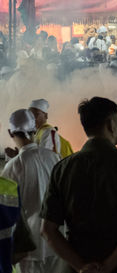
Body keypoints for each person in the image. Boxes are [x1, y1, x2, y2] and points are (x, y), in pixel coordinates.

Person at [40, 97, 117, 273]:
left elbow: (48, 231)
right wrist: (107, 267)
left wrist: (82, 267)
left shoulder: (63, 168)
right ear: (110, 124)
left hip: (76, 264)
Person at [1, 109, 60, 273]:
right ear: (35, 130)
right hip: (58, 244)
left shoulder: (13, 167)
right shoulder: (54, 158)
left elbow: (7, 213)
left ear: (10, 132)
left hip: (30, 249)